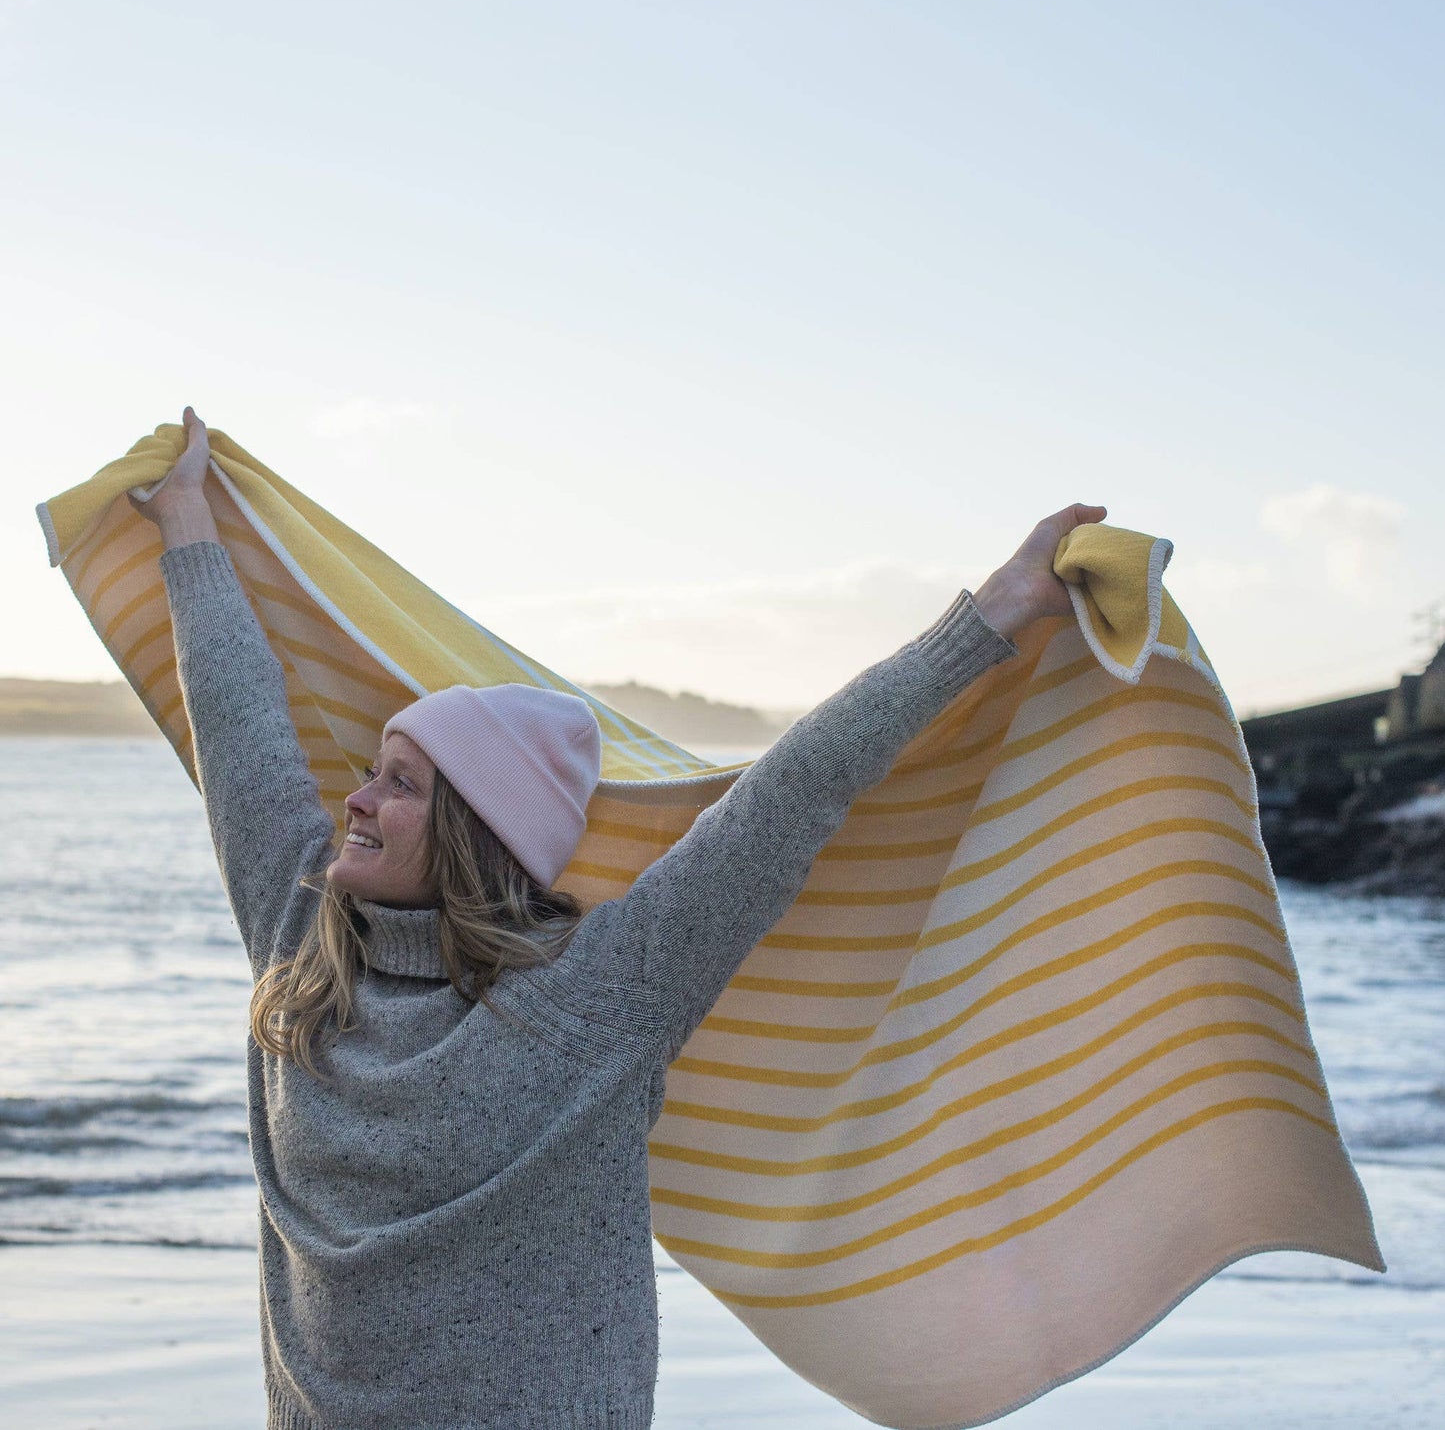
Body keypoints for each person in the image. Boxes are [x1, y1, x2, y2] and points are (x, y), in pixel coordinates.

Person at [131, 405, 1105, 1430]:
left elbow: (791, 793)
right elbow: (238, 721)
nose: (359, 798)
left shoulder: (595, 999)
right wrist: (187, 509)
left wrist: (990, 612)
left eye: (402, 782)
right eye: (371, 772)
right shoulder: (302, 957)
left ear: (473, 831)